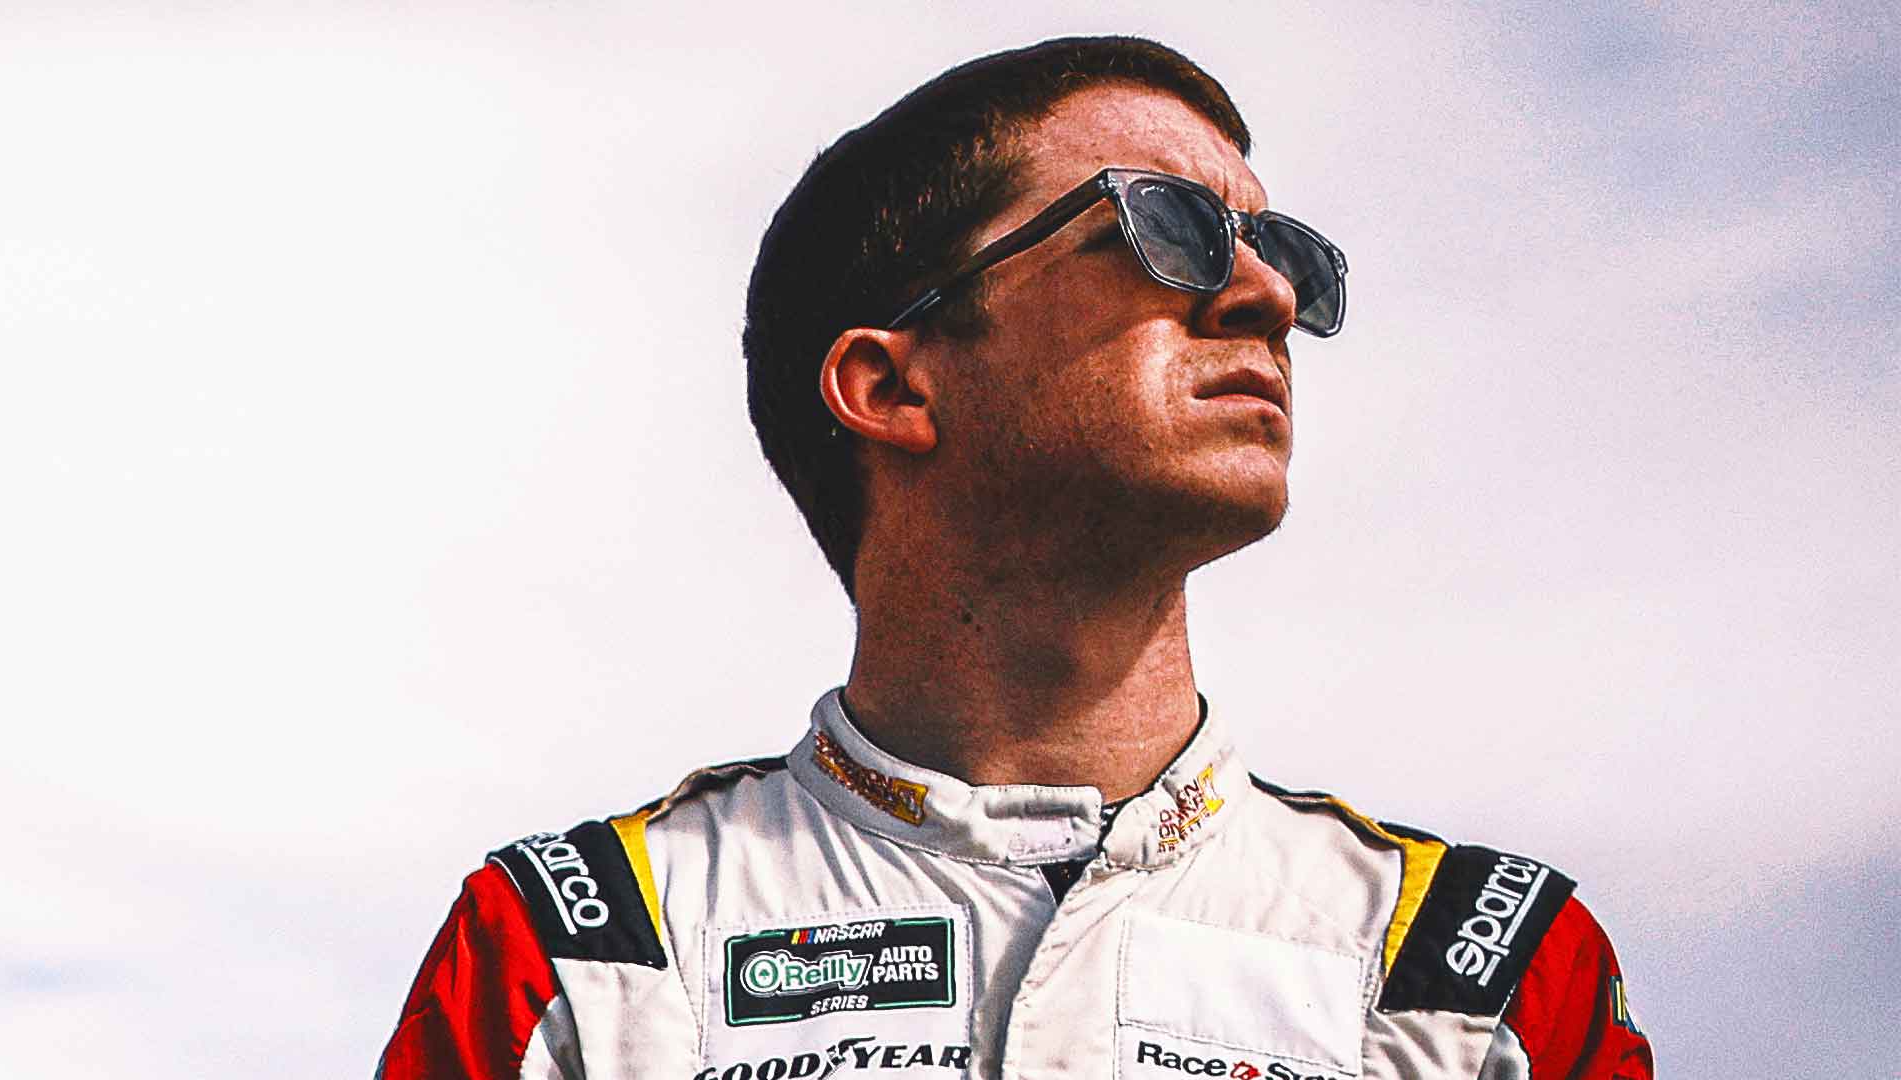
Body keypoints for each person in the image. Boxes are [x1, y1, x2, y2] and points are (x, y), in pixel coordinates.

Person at [377, 36, 1654, 1080]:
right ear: (891, 385)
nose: (1264, 296)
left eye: (1283, 254)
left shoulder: (1485, 978)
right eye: (1165, 226)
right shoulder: (578, 958)